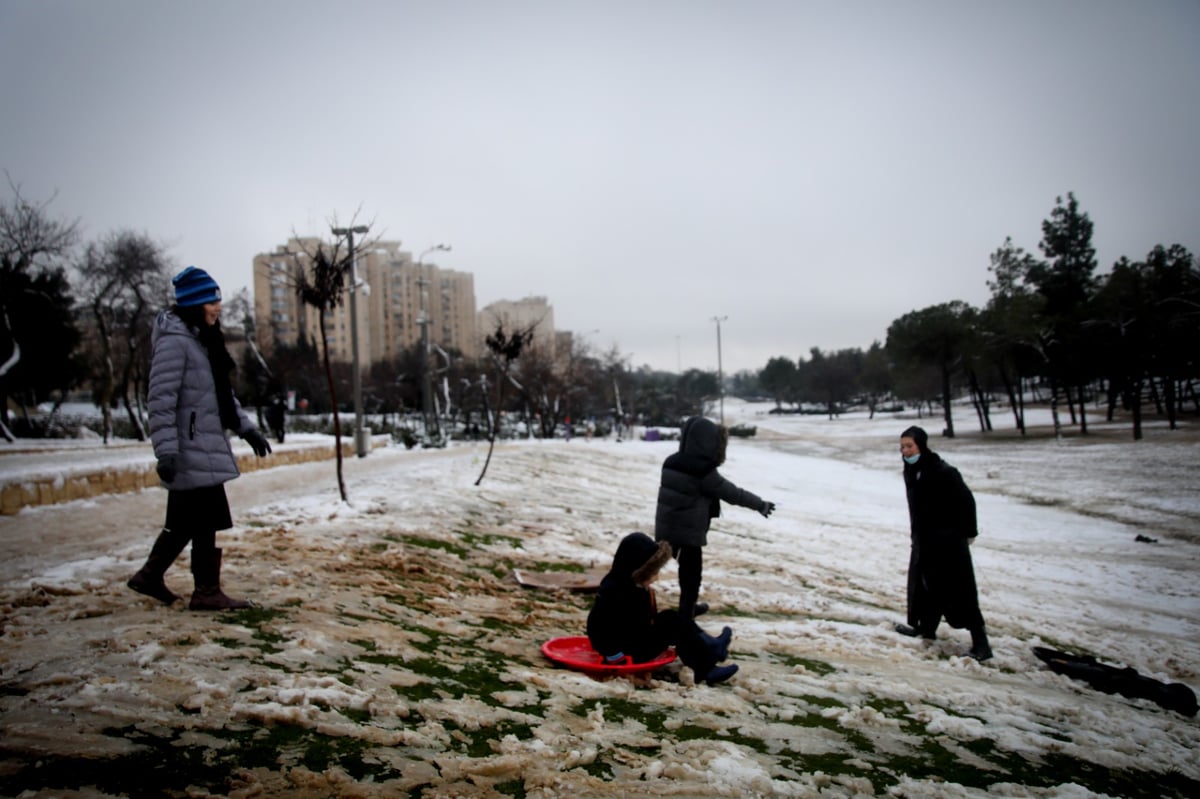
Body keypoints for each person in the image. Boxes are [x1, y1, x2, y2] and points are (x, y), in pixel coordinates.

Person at [127, 266, 273, 611]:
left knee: (187, 522)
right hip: (188, 449)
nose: (218, 307)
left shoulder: (202, 341)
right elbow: (160, 401)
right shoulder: (175, 343)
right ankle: (205, 591)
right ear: (195, 304)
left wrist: (247, 428)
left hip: (202, 445)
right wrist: (166, 452)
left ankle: (151, 576)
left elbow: (220, 397)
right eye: (212, 301)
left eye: (218, 300)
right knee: (202, 520)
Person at [655, 416, 775, 621]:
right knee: (691, 576)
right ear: (707, 442)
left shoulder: (672, 461)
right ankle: (686, 616)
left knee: (664, 566)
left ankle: (683, 609)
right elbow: (732, 493)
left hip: (667, 526)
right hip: (688, 533)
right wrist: (760, 504)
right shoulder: (702, 471)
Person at [588, 532, 739, 686]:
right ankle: (706, 669)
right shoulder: (613, 591)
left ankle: (711, 647)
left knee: (671, 617)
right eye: (652, 573)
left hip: (635, 639)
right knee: (672, 624)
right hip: (628, 652)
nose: (656, 578)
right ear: (636, 569)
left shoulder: (632, 585)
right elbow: (596, 627)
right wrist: (614, 655)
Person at [895, 425, 992, 661]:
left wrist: (969, 532)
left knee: (961, 591)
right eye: (902, 447)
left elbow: (967, 500)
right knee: (926, 587)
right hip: (924, 540)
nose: (905, 451)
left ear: (921, 445)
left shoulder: (942, 471)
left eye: (909, 446)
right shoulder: (912, 470)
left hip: (948, 543)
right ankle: (926, 629)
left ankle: (982, 644)